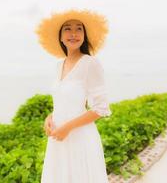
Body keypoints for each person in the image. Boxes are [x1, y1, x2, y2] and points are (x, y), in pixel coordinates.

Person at [35, 9, 112, 183]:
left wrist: (67, 127)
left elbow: (101, 108)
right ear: (60, 36)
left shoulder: (90, 63)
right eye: (67, 29)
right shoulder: (58, 65)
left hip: (80, 138)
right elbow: (63, 101)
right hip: (58, 138)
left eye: (79, 29)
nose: (74, 34)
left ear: (84, 35)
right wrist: (50, 117)